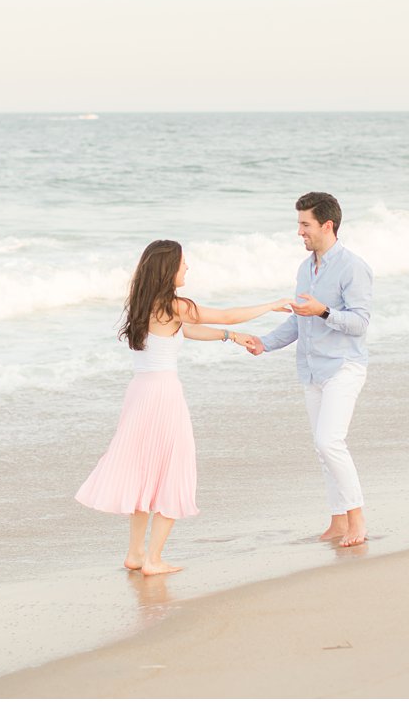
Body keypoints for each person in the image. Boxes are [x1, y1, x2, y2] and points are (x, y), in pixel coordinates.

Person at [75, 239, 289, 575]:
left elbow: (186, 331)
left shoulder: (145, 304)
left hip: (139, 394)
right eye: (183, 263)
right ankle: (154, 560)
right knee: (174, 470)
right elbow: (226, 313)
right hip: (163, 396)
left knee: (144, 472)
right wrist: (271, 305)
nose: (187, 268)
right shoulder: (175, 305)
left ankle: (135, 554)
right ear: (168, 268)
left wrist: (231, 337)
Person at [245, 192, 373, 547]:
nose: (299, 231)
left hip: (343, 366)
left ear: (327, 226)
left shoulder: (353, 267)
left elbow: (360, 323)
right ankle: (337, 522)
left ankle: (357, 520)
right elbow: (297, 323)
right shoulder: (305, 269)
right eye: (299, 224)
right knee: (322, 448)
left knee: (329, 441)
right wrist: (264, 343)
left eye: (305, 224)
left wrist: (324, 312)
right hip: (312, 369)